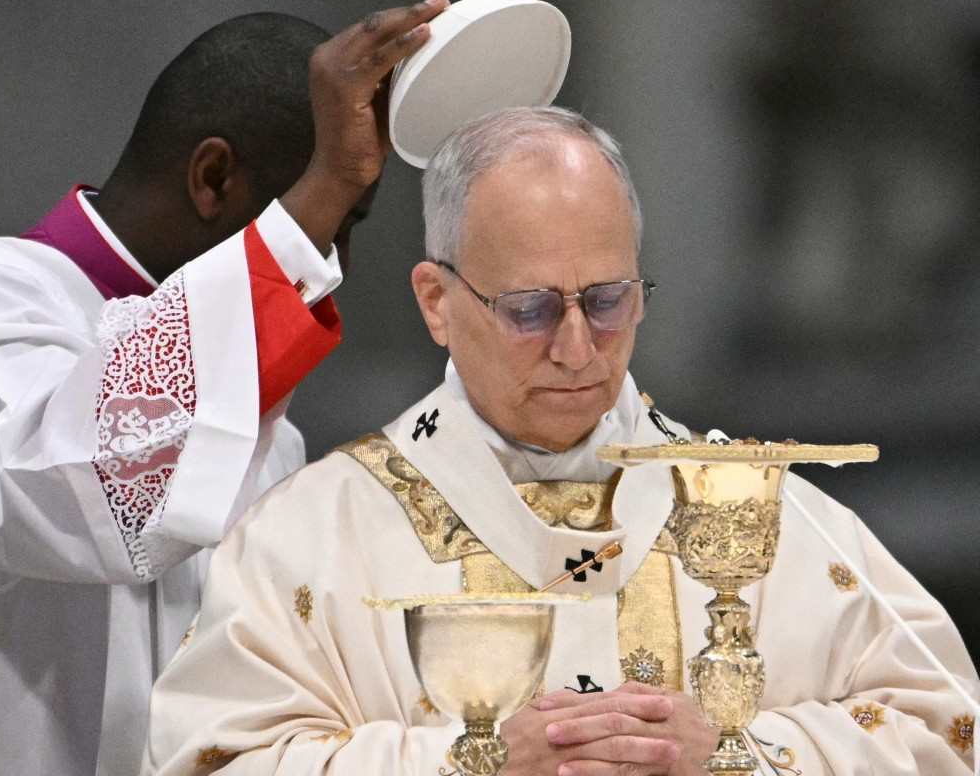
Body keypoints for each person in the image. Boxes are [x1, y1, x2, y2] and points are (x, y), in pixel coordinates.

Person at [140, 106, 979, 775]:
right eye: (531, 310)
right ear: (436, 301)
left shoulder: (769, 518)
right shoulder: (310, 540)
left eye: (608, 300)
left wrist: (736, 759)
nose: (577, 349)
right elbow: (211, 759)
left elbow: (950, 733)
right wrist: (475, 765)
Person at [0, 0, 452, 776]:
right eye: (323, 219)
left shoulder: (260, 429)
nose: (330, 263)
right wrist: (331, 179)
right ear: (213, 177)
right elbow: (97, 500)